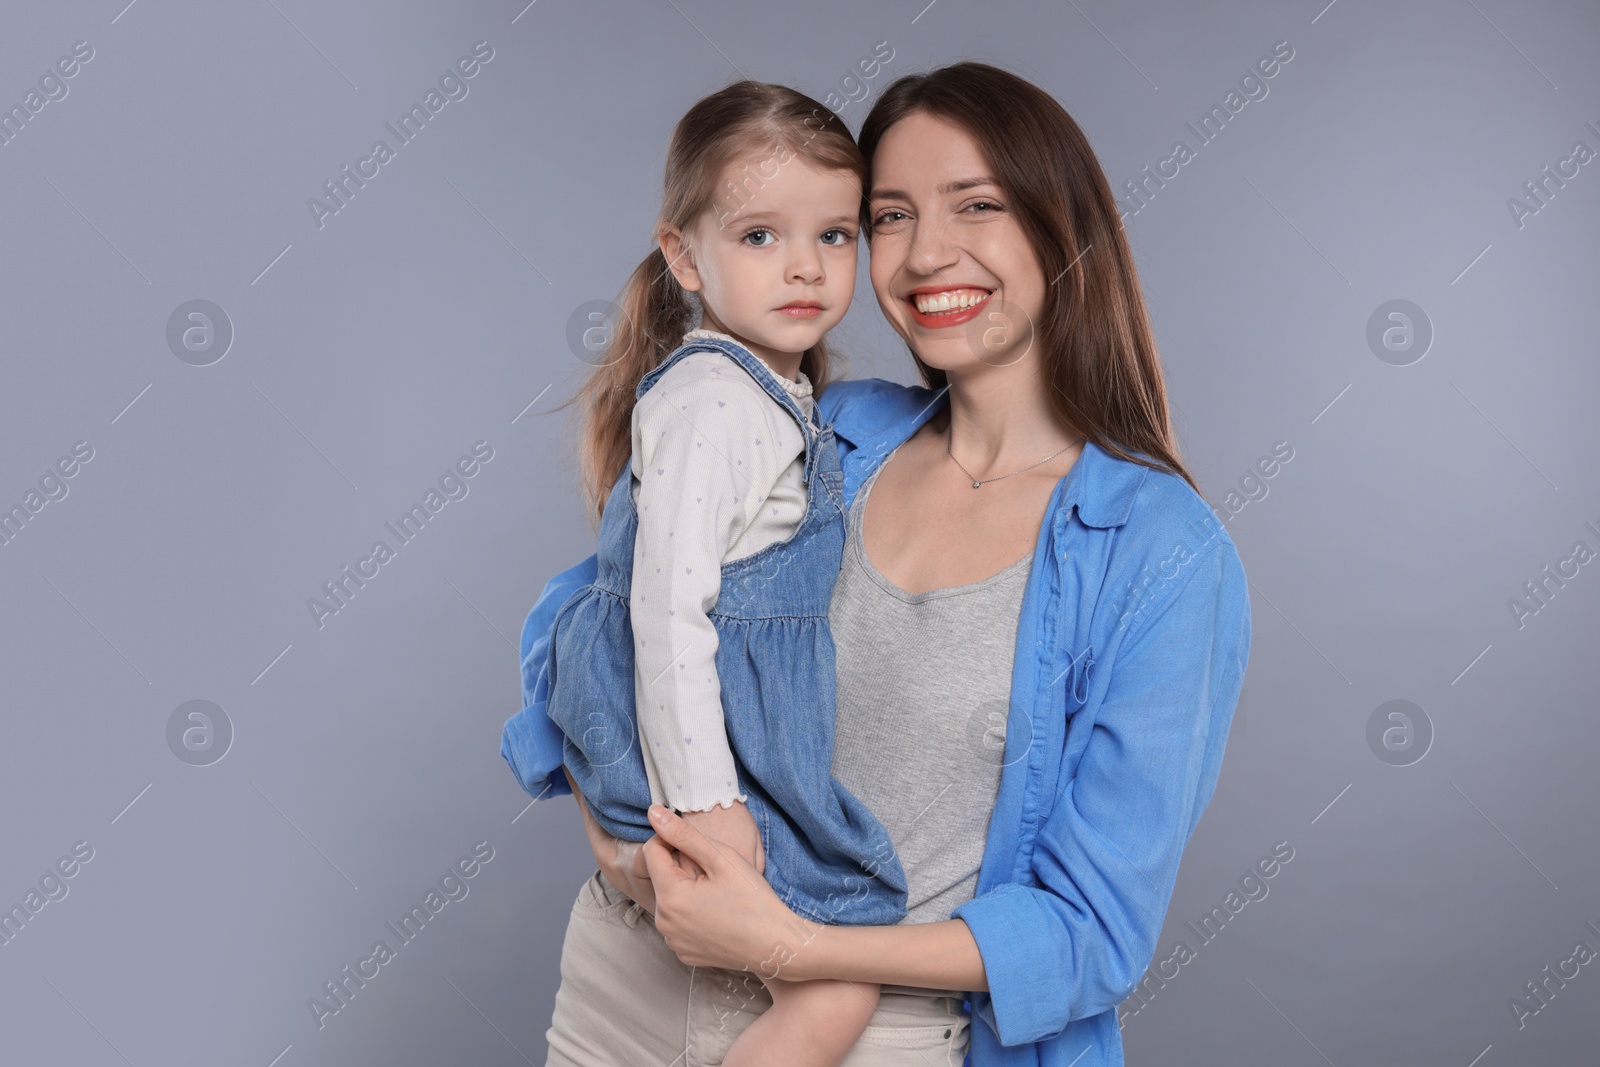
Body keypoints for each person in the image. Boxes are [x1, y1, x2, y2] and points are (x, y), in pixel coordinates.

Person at [503, 62, 1251, 1067]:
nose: (926, 253)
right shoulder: (829, 433)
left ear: (1060, 227)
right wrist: (621, 839)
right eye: (890, 215)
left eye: (976, 205)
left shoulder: (1161, 553)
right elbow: (593, 615)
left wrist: (794, 948)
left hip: (872, 1034)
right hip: (625, 988)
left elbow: (1088, 931)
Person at [531, 79, 912, 1067]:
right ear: (682, 254)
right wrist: (706, 797)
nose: (805, 266)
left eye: (834, 235)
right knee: (838, 979)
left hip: (731, 734)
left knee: (821, 970)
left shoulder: (769, 391)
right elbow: (664, 607)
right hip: (708, 754)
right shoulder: (711, 399)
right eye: (759, 236)